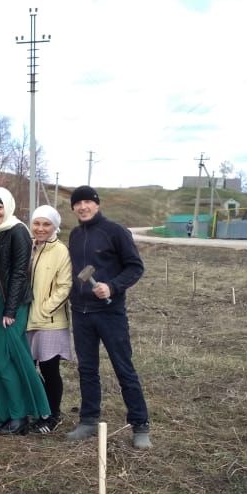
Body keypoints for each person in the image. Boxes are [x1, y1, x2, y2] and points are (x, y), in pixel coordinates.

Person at [65, 186, 153, 450]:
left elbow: (135, 267)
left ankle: (140, 424)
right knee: (87, 369)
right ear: (73, 208)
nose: (83, 207)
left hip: (109, 312)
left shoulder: (115, 231)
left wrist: (112, 286)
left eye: (87, 202)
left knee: (123, 367)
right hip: (81, 312)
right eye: (77, 203)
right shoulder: (75, 235)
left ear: (97, 204)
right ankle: (89, 419)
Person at [0, 187, 51, 435]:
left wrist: (10, 310)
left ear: (7, 207)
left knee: (4, 359)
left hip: (13, 304)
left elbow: (20, 273)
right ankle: (2, 413)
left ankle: (21, 414)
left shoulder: (18, 231)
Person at [26, 205, 73, 433]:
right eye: (37, 223)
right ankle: (37, 409)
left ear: (55, 226)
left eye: (46, 224)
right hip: (27, 319)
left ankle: (53, 414)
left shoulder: (60, 251)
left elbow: (65, 286)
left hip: (50, 321)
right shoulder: (30, 247)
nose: (41, 228)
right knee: (29, 368)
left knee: (49, 368)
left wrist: (45, 309)